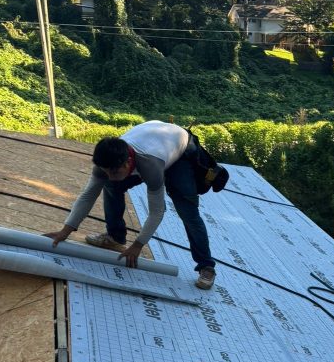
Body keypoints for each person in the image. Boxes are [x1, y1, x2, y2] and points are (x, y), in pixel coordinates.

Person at [45, 120, 217, 289]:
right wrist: (65, 231)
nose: (110, 176)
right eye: (106, 171)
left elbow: (157, 211)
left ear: (127, 163)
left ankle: (206, 266)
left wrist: (138, 245)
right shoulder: (107, 164)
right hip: (155, 140)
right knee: (111, 186)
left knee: (188, 212)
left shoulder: (150, 166)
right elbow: (88, 196)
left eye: (114, 172)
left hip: (180, 150)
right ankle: (115, 237)